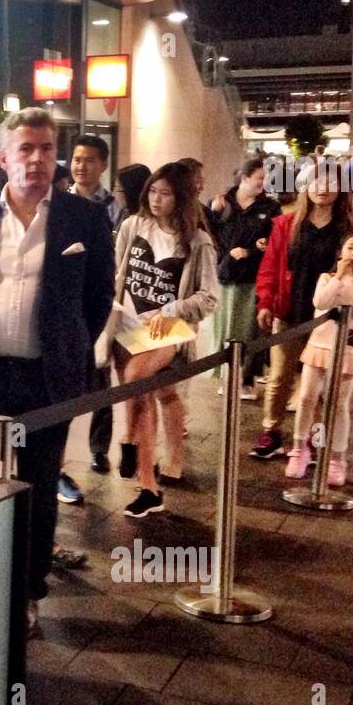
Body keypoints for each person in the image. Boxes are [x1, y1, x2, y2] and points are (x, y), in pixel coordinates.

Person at [0, 107, 114, 630]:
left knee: (38, 487)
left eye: (47, 149)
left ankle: (27, 592)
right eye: (26, 149)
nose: (39, 159)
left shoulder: (83, 218)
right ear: (3, 158)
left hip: (46, 377)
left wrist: (70, 347)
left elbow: (99, 296)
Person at [112, 162, 219, 517]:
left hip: (166, 327)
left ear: (181, 197)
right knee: (139, 396)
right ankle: (149, 485)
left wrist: (172, 310)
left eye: (166, 193)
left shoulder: (197, 241)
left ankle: (129, 442)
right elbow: (117, 270)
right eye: (153, 191)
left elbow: (208, 297)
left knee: (134, 380)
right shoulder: (133, 225)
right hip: (126, 320)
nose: (156, 199)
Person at [251, 163, 353, 459]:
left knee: (320, 383)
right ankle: (271, 431)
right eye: (317, 181)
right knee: (279, 376)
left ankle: (314, 437)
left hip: (329, 317)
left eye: (330, 182)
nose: (322, 187)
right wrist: (265, 301)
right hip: (290, 309)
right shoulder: (287, 224)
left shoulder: (348, 229)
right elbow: (269, 266)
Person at [285, 233, 353, 486]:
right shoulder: (327, 278)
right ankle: (299, 449)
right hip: (319, 344)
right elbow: (321, 302)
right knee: (306, 397)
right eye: (350, 247)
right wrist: (338, 276)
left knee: (338, 404)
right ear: (341, 251)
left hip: (348, 350)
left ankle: (337, 460)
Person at [59, 133, 118, 496]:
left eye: (89, 160)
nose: (81, 166)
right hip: (67, 310)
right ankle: (58, 466)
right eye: (77, 159)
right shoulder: (60, 205)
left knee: (101, 381)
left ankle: (99, 448)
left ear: (103, 164)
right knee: (63, 396)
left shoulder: (113, 207)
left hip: (97, 307)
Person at [209, 158, 281, 397]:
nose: (264, 182)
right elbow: (210, 236)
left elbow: (275, 242)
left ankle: (246, 378)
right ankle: (228, 376)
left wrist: (252, 250)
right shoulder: (222, 203)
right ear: (245, 177)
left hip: (254, 276)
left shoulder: (269, 208)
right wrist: (214, 214)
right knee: (225, 328)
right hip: (225, 275)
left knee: (249, 329)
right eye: (260, 177)